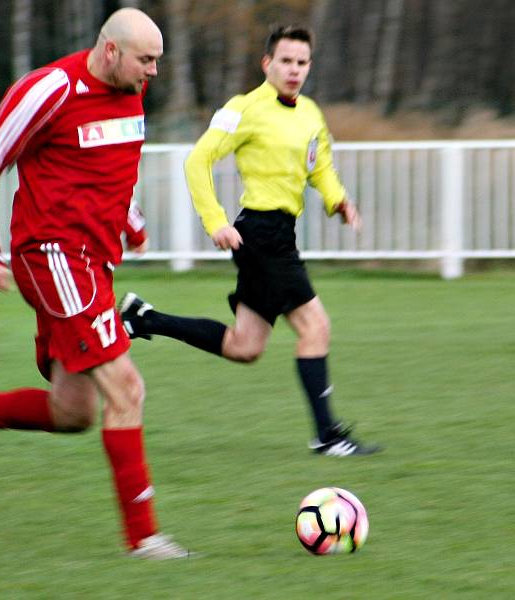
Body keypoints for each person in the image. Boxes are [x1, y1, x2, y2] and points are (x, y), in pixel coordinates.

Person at [0, 8, 192, 560]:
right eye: (146, 60)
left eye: (158, 61)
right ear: (111, 51)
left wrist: (133, 222)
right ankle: (144, 538)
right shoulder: (51, 88)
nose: (154, 73)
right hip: (54, 260)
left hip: (93, 263)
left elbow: (111, 166)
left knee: (71, 413)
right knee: (127, 388)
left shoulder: (132, 89)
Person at [120, 25, 380, 457]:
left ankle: (145, 318)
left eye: (301, 63)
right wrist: (216, 221)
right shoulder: (244, 109)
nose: (294, 70)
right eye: (286, 62)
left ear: (309, 66)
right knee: (315, 327)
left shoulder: (311, 114)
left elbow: (320, 168)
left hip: (280, 234)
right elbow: (197, 160)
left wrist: (339, 201)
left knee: (246, 347)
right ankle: (327, 435)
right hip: (260, 234)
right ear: (267, 64)